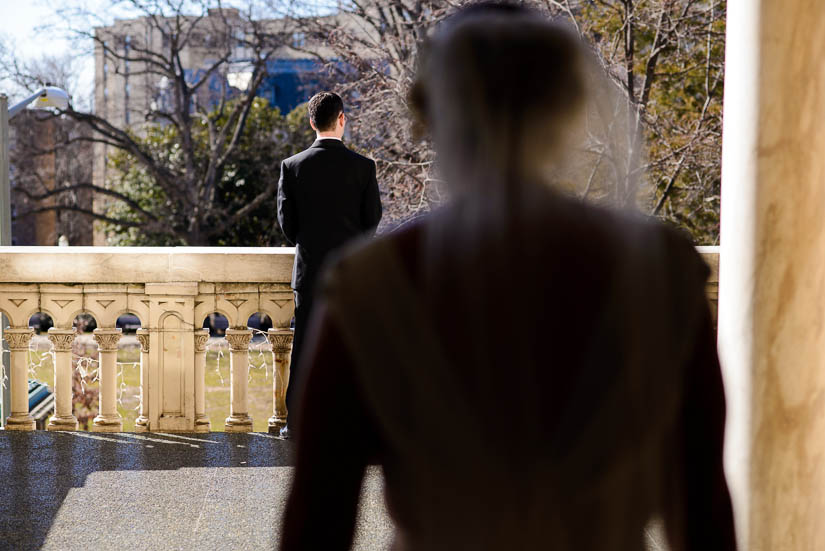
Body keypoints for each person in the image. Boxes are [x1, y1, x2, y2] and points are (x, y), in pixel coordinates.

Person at [280, 4, 736, 550]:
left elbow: (318, 519)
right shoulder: (661, 266)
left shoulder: (373, 281)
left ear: (433, 117)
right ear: (567, 108)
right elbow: (704, 507)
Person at [277, 91, 382, 439]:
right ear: (342, 119)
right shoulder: (364, 167)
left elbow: (288, 227)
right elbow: (372, 222)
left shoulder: (291, 167)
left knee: (305, 348)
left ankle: (299, 422)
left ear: (311, 123)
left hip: (309, 275)